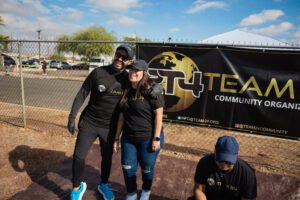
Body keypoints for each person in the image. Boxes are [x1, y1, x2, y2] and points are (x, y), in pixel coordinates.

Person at [67, 45, 134, 200]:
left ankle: (103, 184)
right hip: (89, 123)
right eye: (118, 54)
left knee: (107, 158)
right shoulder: (98, 72)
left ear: (129, 61)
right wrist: (72, 117)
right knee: (78, 157)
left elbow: (142, 81)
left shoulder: (128, 79)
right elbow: (82, 94)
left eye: (124, 57)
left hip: (109, 128)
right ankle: (76, 188)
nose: (119, 59)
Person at [113, 59, 165, 200]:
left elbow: (159, 115)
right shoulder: (126, 88)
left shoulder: (152, 90)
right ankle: (131, 193)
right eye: (131, 70)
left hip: (148, 138)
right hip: (128, 138)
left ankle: (146, 191)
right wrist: (116, 138)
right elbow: (122, 117)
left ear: (144, 73)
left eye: (136, 70)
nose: (132, 73)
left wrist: (156, 138)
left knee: (147, 168)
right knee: (127, 167)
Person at [192, 135, 257, 200]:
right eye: (220, 160)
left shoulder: (247, 174)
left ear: (237, 155)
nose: (224, 165)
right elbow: (199, 190)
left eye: (229, 162)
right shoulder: (204, 163)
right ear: (215, 151)